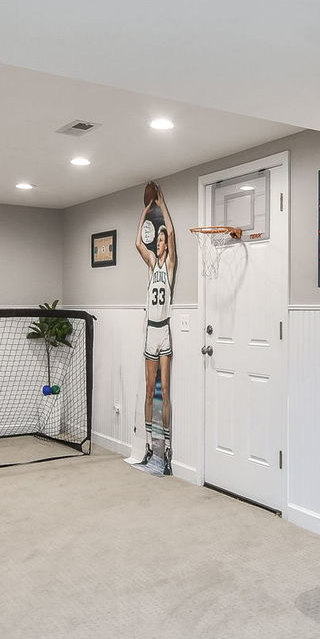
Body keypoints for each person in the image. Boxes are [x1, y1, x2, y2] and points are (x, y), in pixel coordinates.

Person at [131, 182, 176, 475]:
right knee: (150, 391)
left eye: (160, 243)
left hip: (165, 331)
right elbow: (138, 243)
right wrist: (146, 210)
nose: (159, 245)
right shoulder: (150, 265)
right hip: (150, 331)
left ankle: (168, 449)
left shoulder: (169, 266)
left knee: (166, 390)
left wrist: (162, 203)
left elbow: (171, 233)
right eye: (158, 243)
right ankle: (148, 445)